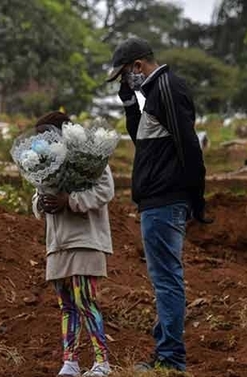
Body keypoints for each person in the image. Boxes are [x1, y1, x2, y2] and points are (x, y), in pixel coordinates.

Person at [106, 38, 210, 372]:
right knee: (164, 278)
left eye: (124, 75)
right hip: (157, 201)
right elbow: (146, 141)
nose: (125, 81)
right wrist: (129, 105)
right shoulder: (153, 93)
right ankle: (166, 350)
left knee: (167, 280)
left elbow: (189, 145)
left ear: (138, 66)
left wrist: (197, 198)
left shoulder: (166, 88)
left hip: (165, 201)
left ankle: (171, 359)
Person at [32, 111, 115, 377]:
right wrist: (42, 203)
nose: (43, 141)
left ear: (64, 132)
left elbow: (105, 190)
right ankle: (71, 361)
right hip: (57, 243)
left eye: (48, 134)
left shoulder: (89, 158)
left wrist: (70, 201)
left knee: (85, 300)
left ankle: (102, 362)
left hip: (85, 240)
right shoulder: (45, 163)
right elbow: (37, 197)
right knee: (66, 304)